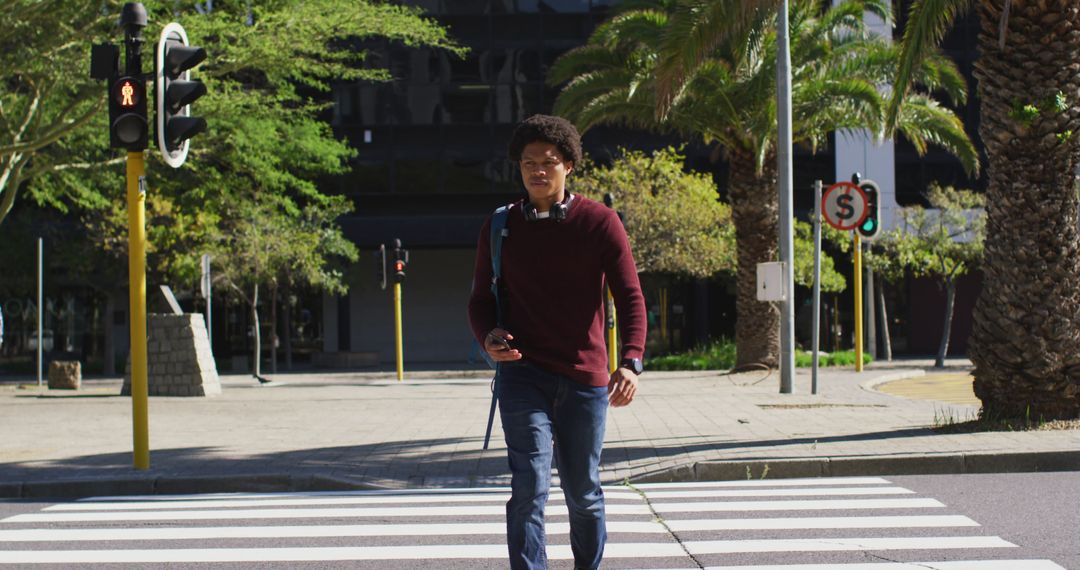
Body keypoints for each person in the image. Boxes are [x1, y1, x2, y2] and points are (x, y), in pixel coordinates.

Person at [467, 114, 647, 570]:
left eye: (548, 162)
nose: (538, 170)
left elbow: (629, 296)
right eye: (528, 162)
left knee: (582, 492)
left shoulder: (600, 222)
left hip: (585, 379)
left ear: (569, 165)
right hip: (522, 375)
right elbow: (479, 300)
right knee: (528, 486)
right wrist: (488, 337)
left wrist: (630, 361)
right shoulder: (500, 226)